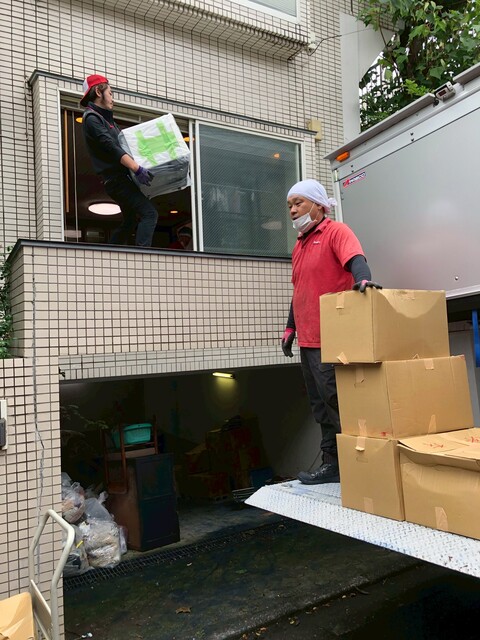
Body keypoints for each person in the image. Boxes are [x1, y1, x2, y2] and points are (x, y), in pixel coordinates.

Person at [281, 179, 381, 485]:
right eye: (290, 205)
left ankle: (360, 464)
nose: (293, 210)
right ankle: (332, 464)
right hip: (308, 339)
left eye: (298, 203)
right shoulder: (299, 245)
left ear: (318, 205)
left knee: (338, 402)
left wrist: (363, 280)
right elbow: (300, 290)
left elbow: (356, 260)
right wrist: (290, 327)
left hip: (332, 338)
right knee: (319, 405)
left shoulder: (336, 232)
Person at [81, 74, 158, 247]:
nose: (113, 99)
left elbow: (124, 145)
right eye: (110, 93)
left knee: (130, 221)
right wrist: (137, 169)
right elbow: (111, 147)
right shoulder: (92, 119)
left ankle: (110, 252)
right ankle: (144, 257)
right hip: (117, 181)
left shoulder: (107, 120)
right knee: (150, 214)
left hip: (120, 180)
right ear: (99, 92)